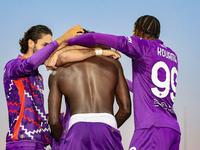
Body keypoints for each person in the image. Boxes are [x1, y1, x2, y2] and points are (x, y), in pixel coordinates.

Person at [66, 15, 181, 150]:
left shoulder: (144, 47)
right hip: (172, 129)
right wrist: (114, 78)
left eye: (133, 32)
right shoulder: (172, 55)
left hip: (151, 128)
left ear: (139, 31)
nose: (132, 35)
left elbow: (94, 38)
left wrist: (68, 41)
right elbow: (144, 88)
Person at [3, 24, 119, 150]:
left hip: (40, 144)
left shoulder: (37, 76)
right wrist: (63, 38)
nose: (49, 50)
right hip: (22, 142)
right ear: (31, 43)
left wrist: (50, 117)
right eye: (45, 45)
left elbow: (30, 110)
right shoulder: (12, 66)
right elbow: (30, 63)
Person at [48, 50, 131, 149]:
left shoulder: (58, 72)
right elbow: (125, 109)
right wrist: (108, 126)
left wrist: (62, 139)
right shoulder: (113, 64)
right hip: (106, 124)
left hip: (76, 127)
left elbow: (53, 121)